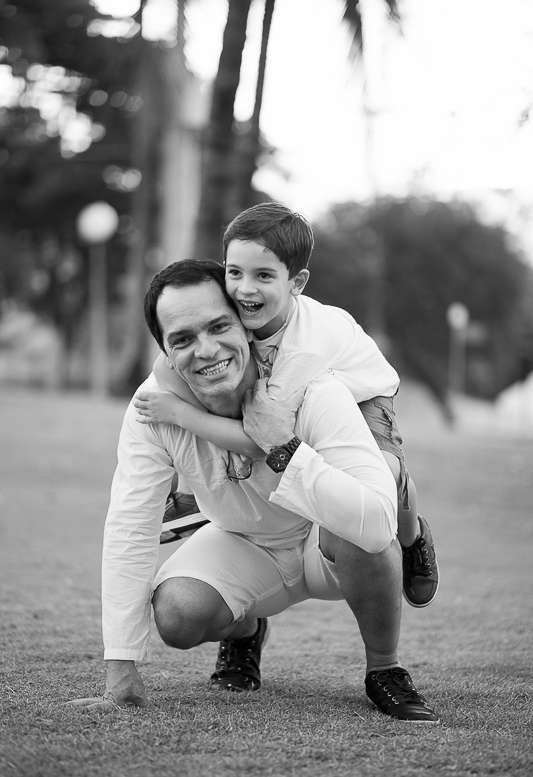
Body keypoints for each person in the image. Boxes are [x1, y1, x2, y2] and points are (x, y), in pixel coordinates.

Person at [73, 259, 438, 723]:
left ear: (246, 326)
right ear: (164, 350)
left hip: (325, 545)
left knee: (358, 514)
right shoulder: (154, 408)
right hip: (244, 543)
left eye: (219, 325)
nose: (205, 350)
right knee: (178, 616)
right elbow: (130, 525)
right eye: (182, 339)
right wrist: (120, 670)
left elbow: (376, 523)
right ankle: (245, 628)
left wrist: (282, 447)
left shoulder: (312, 385)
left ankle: (384, 668)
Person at [134, 203, 439, 609]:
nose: (244, 289)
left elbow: (258, 437)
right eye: (235, 272)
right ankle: (196, 501)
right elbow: (172, 366)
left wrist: (178, 413)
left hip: (360, 391)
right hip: (303, 394)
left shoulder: (304, 346)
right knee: (229, 406)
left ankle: (412, 536)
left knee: (385, 472)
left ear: (297, 282)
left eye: (263, 276)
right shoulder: (239, 314)